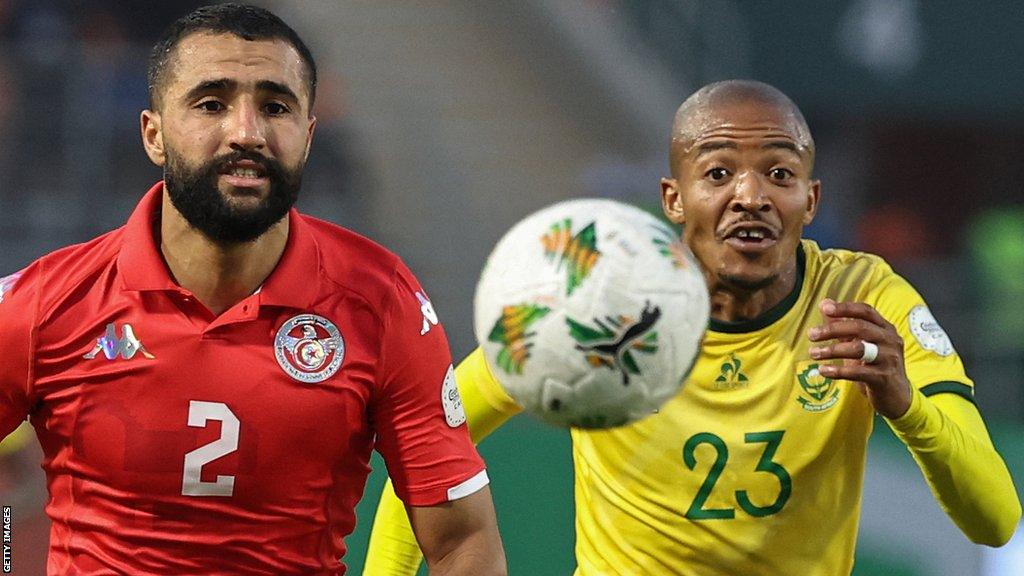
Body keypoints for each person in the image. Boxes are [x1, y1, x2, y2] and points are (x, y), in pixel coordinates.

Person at [363, 80, 1021, 575]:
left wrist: (907, 407)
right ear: (673, 199)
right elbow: (426, 447)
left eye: (780, 174)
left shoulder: (864, 298)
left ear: (811, 201)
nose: (751, 195)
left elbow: (995, 519)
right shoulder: (599, 299)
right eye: (717, 173)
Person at [0, 4, 507, 575]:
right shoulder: (44, 303)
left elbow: (463, 541)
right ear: (154, 134)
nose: (246, 132)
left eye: (276, 107)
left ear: (309, 135)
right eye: (211, 104)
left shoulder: (381, 299)